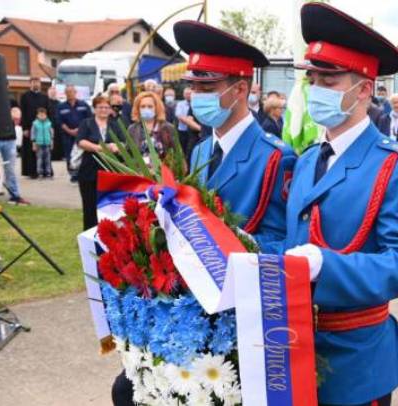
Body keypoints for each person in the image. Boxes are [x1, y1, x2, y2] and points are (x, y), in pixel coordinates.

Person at [110, 20, 297, 406]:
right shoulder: (198, 150)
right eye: (193, 86)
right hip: (189, 312)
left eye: (207, 87)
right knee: (127, 390)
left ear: (240, 89)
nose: (196, 96)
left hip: (238, 319)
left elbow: (285, 245)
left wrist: (229, 244)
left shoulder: (275, 157)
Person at [281, 4, 398, 405]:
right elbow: (292, 241)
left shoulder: (397, 166)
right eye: (312, 79)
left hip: (356, 358)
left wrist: (325, 265)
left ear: (364, 89)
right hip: (294, 349)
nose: (315, 89)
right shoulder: (308, 159)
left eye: (329, 80)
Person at [76, 95, 122, 230]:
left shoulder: (115, 125)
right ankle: (90, 234)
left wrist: (116, 147)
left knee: (108, 207)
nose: (103, 110)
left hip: (109, 171)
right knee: (89, 207)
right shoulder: (86, 123)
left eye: (106, 107)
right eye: (100, 107)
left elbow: (123, 143)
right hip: (89, 171)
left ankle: (108, 234)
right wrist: (100, 148)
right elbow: (80, 141)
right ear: (94, 108)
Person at [56, 84, 92, 182]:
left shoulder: (83, 105)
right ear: (65, 93)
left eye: (71, 92)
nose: (70, 94)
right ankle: (73, 174)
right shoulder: (60, 106)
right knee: (69, 155)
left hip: (83, 134)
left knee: (82, 154)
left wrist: (80, 129)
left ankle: (81, 173)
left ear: (75, 93)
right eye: (68, 92)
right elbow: (59, 121)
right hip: (67, 135)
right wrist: (69, 130)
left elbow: (89, 118)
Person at [127, 91, 176, 160]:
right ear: (138, 109)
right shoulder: (132, 129)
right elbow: (129, 153)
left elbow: (176, 152)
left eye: (150, 106)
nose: (146, 109)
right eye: (143, 106)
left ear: (156, 108)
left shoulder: (168, 128)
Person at [20, 77, 50, 179]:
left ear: (40, 84)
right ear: (30, 84)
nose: (35, 84)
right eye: (33, 82)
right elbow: (23, 113)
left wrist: (49, 126)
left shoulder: (44, 97)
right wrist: (24, 128)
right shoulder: (25, 96)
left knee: (44, 152)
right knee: (30, 150)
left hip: (43, 128)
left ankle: (45, 171)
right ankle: (31, 172)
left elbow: (48, 112)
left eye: (37, 82)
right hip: (29, 128)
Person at [0, 106, 29, 205]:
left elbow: (15, 107)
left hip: (9, 137)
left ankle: (15, 196)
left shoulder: (7, 98)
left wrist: (16, 111)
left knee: (10, 169)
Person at [30, 107, 54, 178]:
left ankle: (48, 172)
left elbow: (51, 133)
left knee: (47, 159)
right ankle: (40, 172)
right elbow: (33, 133)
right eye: (40, 115)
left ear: (46, 115)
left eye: (43, 115)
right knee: (39, 159)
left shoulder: (49, 123)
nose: (42, 116)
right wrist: (33, 143)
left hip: (47, 143)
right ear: (37, 115)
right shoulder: (35, 123)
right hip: (38, 144)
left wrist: (52, 142)